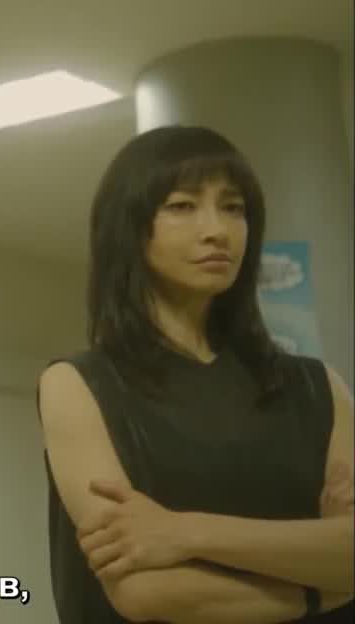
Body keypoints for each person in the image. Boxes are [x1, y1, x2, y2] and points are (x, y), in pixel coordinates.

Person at [37, 125, 355, 622]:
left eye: (234, 208)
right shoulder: (78, 384)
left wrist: (183, 532)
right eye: (182, 206)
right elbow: (146, 591)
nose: (217, 230)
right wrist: (315, 591)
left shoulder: (318, 387)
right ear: (129, 226)